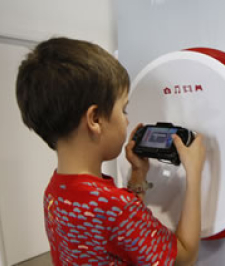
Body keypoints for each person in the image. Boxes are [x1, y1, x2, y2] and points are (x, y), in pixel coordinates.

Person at [16, 37, 206, 266]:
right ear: (95, 119)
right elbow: (184, 259)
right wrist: (194, 173)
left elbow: (118, 234)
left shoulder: (54, 192)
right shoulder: (114, 206)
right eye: (123, 109)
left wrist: (138, 175)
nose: (127, 121)